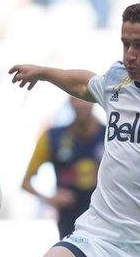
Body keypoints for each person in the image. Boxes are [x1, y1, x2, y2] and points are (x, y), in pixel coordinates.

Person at [9, 1, 140, 257]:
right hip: (98, 232)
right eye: (125, 43)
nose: (130, 54)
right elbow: (84, 85)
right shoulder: (119, 78)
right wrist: (44, 72)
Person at [22, 97, 105, 240]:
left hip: (105, 224)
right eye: (76, 99)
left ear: (95, 100)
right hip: (70, 226)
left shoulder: (112, 136)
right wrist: (50, 199)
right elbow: (26, 183)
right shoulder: (52, 137)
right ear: (70, 103)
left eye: (85, 98)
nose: (81, 104)